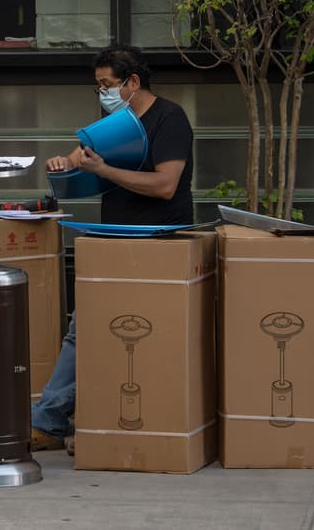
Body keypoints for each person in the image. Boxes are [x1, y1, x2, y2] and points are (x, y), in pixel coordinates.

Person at [30, 45, 194, 451]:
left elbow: (165, 185)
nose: (102, 92)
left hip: (158, 242)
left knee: (139, 333)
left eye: (108, 85)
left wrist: (102, 170)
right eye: (98, 86)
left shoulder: (169, 119)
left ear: (132, 82)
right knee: (84, 328)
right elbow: (82, 154)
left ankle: (73, 419)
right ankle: (51, 421)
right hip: (115, 238)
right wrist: (65, 163)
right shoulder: (115, 120)